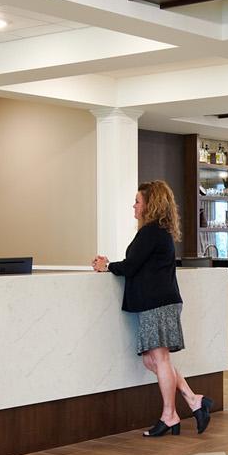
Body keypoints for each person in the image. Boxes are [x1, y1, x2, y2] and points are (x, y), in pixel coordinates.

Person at [93, 180, 215, 438]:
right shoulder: (159, 232)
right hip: (159, 302)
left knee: (159, 360)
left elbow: (131, 265)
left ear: (150, 205)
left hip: (157, 304)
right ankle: (194, 400)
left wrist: (107, 266)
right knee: (154, 360)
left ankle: (170, 415)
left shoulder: (150, 233)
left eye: (137, 202)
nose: (133, 207)